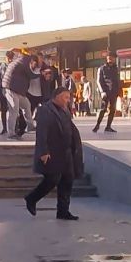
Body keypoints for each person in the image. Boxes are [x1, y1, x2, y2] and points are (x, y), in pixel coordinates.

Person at [24, 87, 83, 221]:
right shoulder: (45, 110)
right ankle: (31, 198)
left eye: (68, 98)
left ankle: (63, 211)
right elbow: (42, 132)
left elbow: (69, 127)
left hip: (67, 152)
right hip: (53, 152)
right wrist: (44, 151)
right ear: (56, 96)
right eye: (65, 97)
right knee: (52, 179)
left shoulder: (65, 110)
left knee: (67, 181)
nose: (67, 100)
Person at [2, 54, 39, 140]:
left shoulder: (18, 62)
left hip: (17, 90)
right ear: (31, 61)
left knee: (26, 105)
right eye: (35, 63)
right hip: (11, 89)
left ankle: (30, 126)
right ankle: (11, 134)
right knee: (14, 111)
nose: (34, 66)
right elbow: (31, 75)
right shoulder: (24, 62)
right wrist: (41, 74)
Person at [93, 53, 121, 133]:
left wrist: (119, 90)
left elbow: (117, 80)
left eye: (112, 58)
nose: (110, 59)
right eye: (109, 58)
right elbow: (99, 81)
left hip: (114, 92)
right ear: (107, 59)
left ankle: (108, 126)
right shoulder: (102, 68)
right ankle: (97, 125)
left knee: (112, 110)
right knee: (103, 109)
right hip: (105, 92)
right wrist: (102, 91)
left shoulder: (116, 68)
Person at [0, 50, 15, 135]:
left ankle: (14, 128)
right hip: (4, 91)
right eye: (8, 58)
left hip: (13, 91)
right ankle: (4, 128)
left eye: (11, 58)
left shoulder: (15, 65)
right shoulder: (3, 66)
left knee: (14, 110)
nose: (9, 59)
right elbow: (1, 78)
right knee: (3, 110)